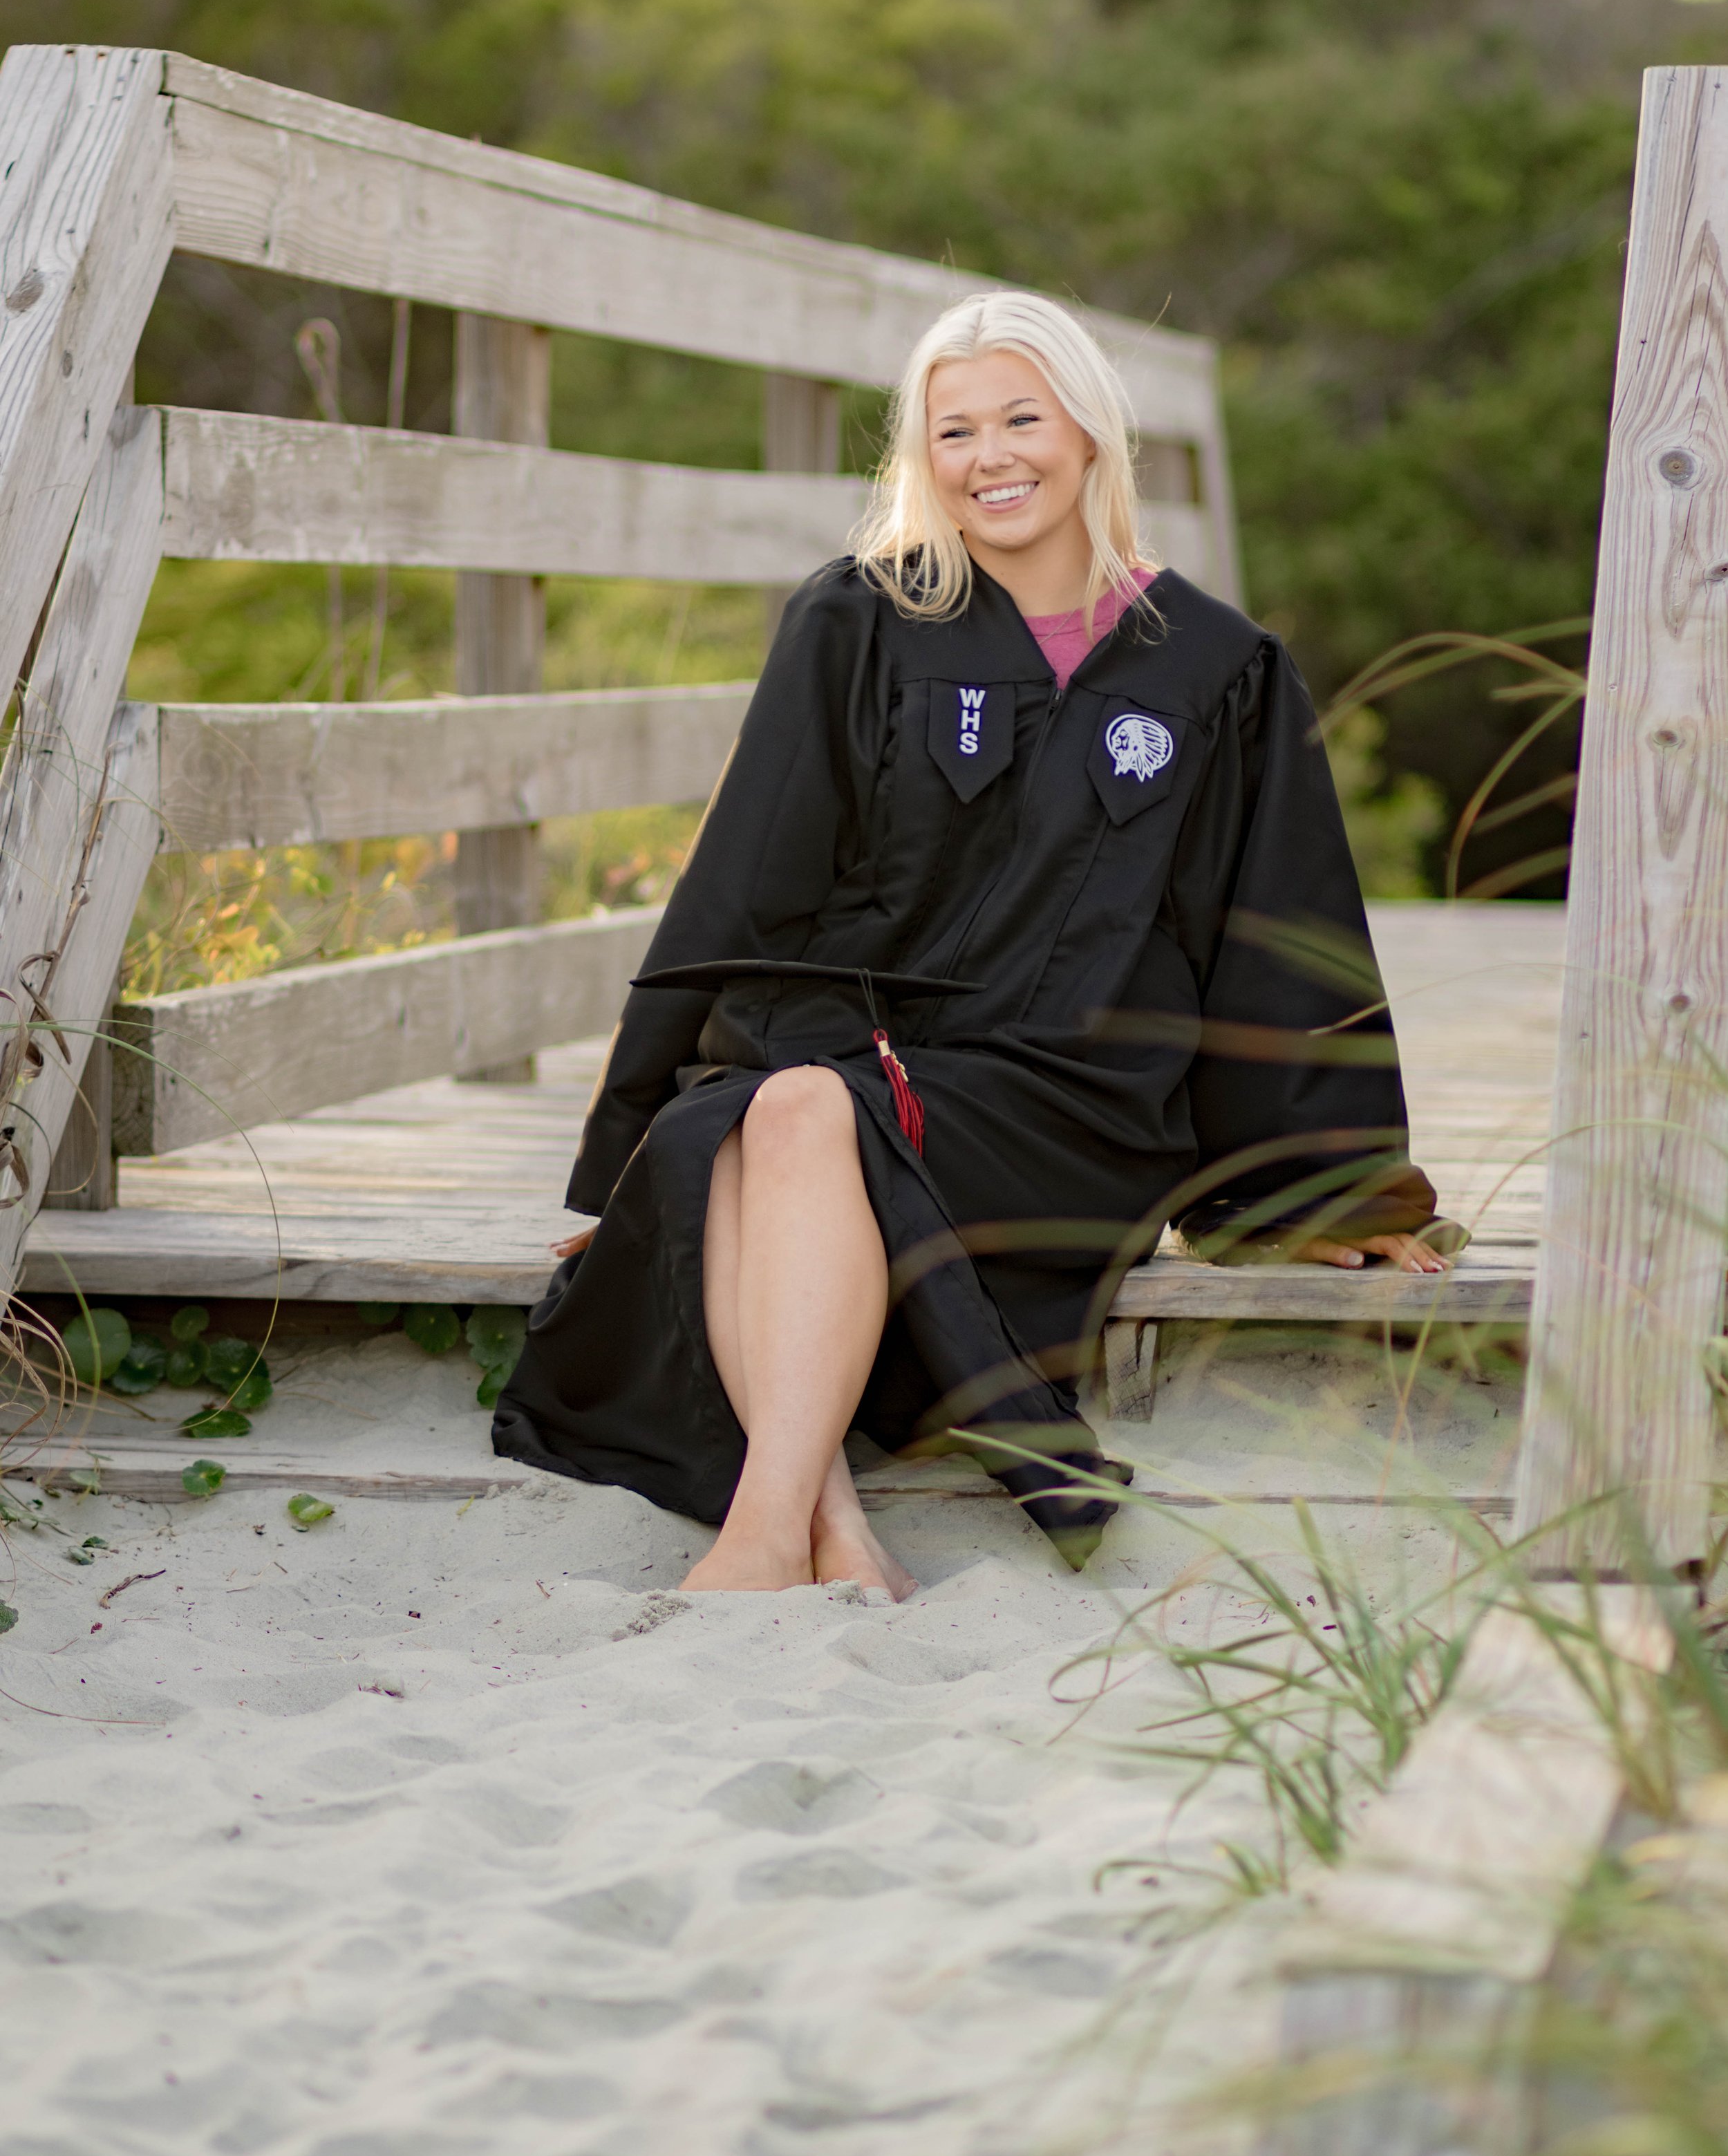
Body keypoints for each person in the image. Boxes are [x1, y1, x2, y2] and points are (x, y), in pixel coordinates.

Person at [494, 292, 1449, 1596]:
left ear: (1090, 432)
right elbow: (746, 878)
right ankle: (802, 1529)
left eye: (1021, 417)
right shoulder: (858, 622)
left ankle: (789, 1529)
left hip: (1072, 1094)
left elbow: (1274, 929)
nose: (990, 456)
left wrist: (1316, 1191)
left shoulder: (1214, 667)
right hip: (850, 1048)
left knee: (784, 1124)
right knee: (764, 1115)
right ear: (921, 458)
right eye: (955, 431)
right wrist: (632, 1149)